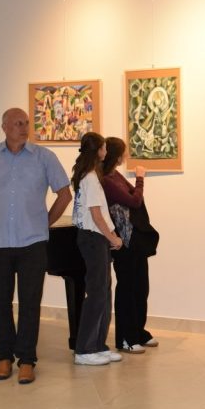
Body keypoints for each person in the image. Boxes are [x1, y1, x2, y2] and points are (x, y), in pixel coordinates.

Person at [0, 107, 72, 385]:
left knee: (30, 303)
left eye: (26, 123)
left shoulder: (44, 157)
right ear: (4, 127)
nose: (24, 128)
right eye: (17, 123)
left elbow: (65, 194)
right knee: (1, 303)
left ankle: (26, 360)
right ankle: (4, 357)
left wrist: (45, 223)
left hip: (32, 243)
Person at [101, 137, 161, 353]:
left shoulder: (115, 175)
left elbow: (133, 199)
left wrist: (137, 185)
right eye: (123, 152)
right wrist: (140, 179)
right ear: (116, 155)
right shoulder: (106, 180)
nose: (126, 155)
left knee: (141, 287)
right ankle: (126, 337)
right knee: (127, 288)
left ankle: (139, 332)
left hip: (135, 240)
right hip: (122, 242)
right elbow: (135, 200)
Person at [71, 132, 124, 366]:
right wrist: (112, 237)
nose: (106, 151)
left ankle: (98, 345)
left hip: (97, 239)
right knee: (96, 293)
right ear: (98, 151)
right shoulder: (90, 178)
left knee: (103, 291)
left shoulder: (91, 175)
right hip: (93, 239)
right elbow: (96, 215)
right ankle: (84, 349)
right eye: (104, 147)